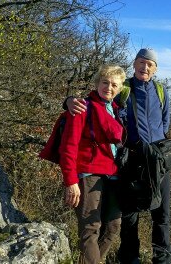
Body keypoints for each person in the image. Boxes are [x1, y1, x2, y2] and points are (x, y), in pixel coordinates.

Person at [67, 48, 171, 264]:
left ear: (155, 69)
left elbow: (165, 121)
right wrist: (69, 101)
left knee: (161, 212)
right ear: (134, 64)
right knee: (129, 215)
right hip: (131, 160)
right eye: (141, 62)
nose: (145, 67)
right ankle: (130, 257)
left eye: (149, 64)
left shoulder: (161, 91)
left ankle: (162, 258)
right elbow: (95, 100)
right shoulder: (122, 89)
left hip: (157, 160)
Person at [60, 65, 126, 264]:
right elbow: (68, 148)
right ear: (97, 83)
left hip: (113, 174)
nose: (109, 87)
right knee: (90, 227)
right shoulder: (82, 107)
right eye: (105, 82)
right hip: (88, 174)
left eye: (114, 84)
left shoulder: (116, 110)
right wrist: (71, 182)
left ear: (120, 88)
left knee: (113, 225)